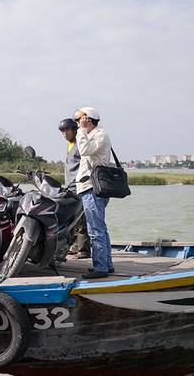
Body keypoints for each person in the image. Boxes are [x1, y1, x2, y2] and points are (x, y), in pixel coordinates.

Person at [74, 107, 114, 279]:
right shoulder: (93, 135)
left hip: (93, 188)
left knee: (95, 229)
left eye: (79, 120)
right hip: (90, 187)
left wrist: (82, 130)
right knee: (100, 228)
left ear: (87, 119)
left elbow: (84, 150)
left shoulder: (99, 134)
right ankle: (107, 264)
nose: (77, 123)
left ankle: (101, 267)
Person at [58, 118, 90, 259]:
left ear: (74, 129)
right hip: (70, 187)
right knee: (72, 218)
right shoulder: (70, 145)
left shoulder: (80, 144)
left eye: (66, 130)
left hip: (80, 186)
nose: (64, 133)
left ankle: (84, 250)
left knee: (82, 219)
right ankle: (75, 246)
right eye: (62, 131)